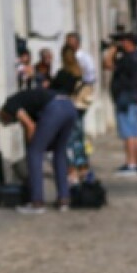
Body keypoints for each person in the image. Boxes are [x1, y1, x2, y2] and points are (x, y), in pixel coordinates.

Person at [0, 87, 78, 214]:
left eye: (6, 122)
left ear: (4, 114)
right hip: (69, 106)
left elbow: (30, 126)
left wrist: (32, 144)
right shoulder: (26, 105)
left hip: (55, 108)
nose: (9, 123)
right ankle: (64, 199)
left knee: (34, 152)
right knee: (59, 151)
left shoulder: (10, 105)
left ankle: (37, 203)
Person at [106, 32, 137, 175]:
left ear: (129, 43)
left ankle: (131, 164)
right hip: (133, 97)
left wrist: (112, 50)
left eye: (123, 41)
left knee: (128, 133)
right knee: (135, 133)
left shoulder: (127, 59)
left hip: (125, 98)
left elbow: (108, 65)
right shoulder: (136, 57)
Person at [52, 46, 90, 177]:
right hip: (80, 108)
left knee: (68, 140)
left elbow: (54, 90)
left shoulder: (63, 74)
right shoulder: (80, 73)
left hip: (67, 108)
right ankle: (83, 167)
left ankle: (71, 169)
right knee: (79, 139)